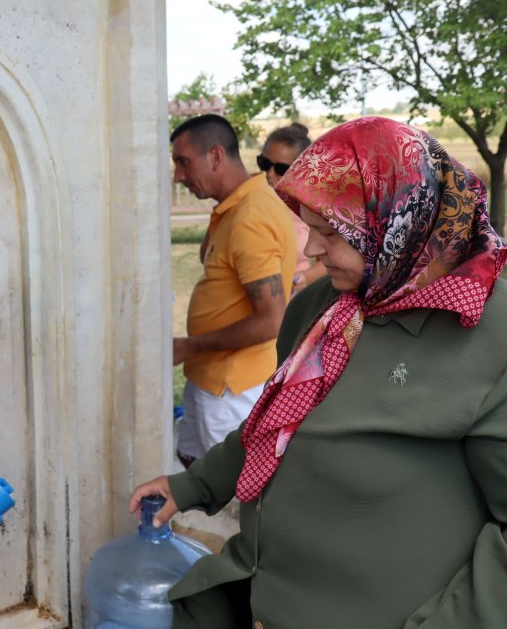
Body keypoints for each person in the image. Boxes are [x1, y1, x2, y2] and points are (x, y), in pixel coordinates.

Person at [132, 116, 507, 629]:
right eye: (310, 227)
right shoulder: (323, 306)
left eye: (332, 233)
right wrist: (193, 484)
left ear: (399, 223)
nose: (309, 250)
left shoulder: (490, 332)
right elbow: (279, 419)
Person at [170, 115, 296, 464]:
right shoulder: (237, 204)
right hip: (211, 378)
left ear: (215, 157)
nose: (177, 175)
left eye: (183, 162)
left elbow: (271, 321)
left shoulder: (251, 215)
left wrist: (188, 346)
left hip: (231, 389)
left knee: (227, 497)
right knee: (194, 470)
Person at [257, 123, 327, 294]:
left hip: (293, 297)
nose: (269, 174)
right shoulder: (251, 199)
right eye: (264, 163)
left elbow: (327, 259)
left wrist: (304, 277)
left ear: (301, 169)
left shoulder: (312, 207)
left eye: (281, 168)